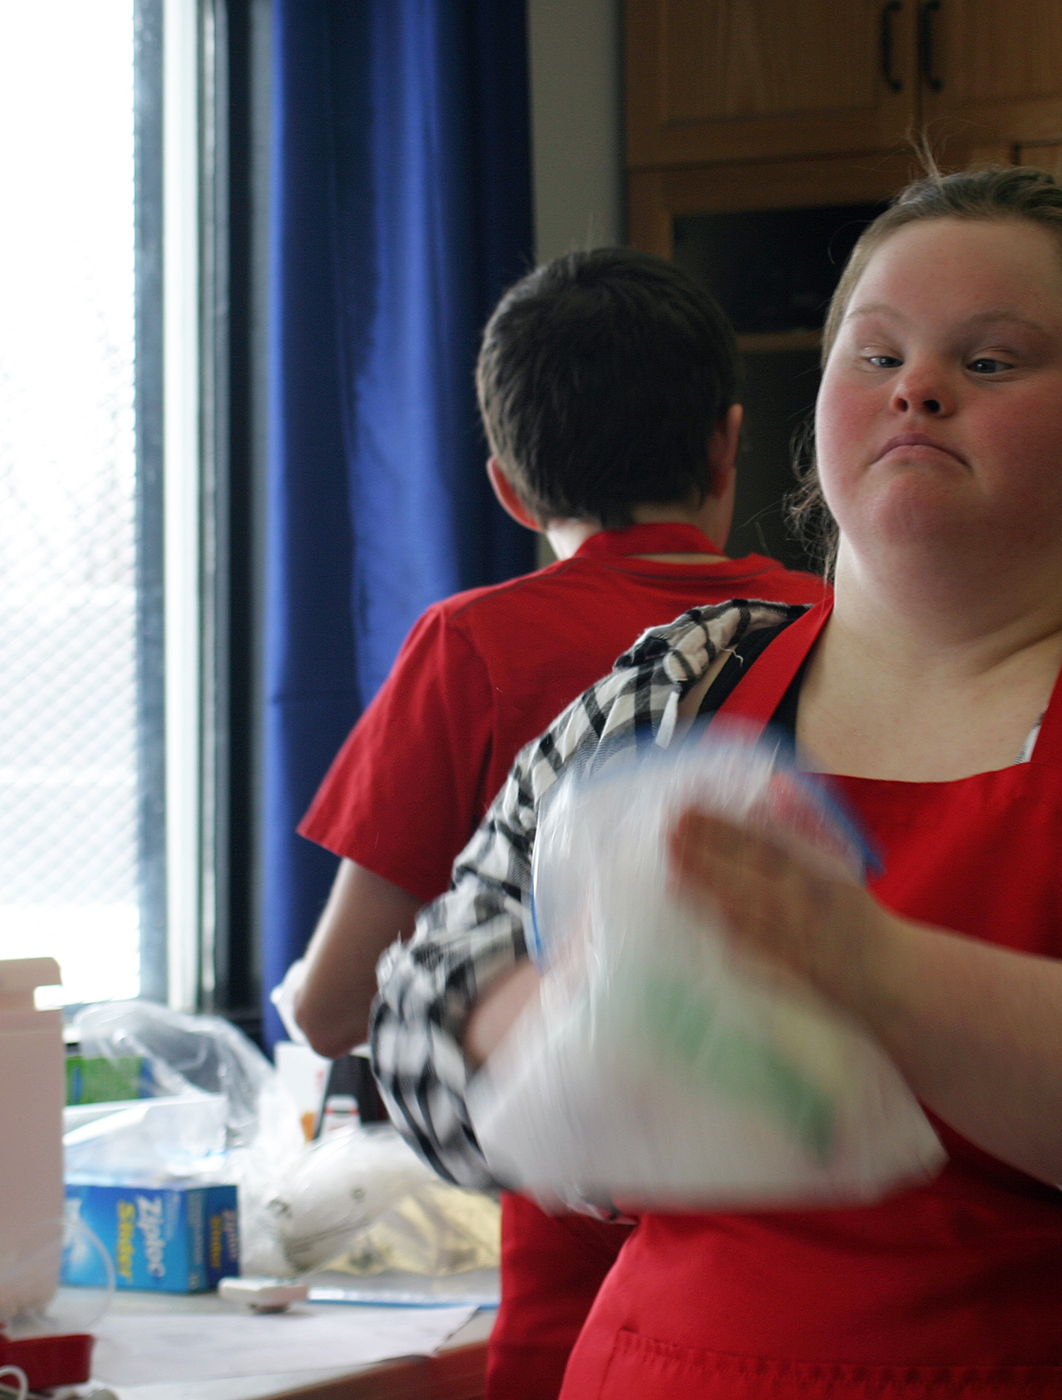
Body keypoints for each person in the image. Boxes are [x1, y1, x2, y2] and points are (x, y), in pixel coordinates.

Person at [373, 167, 1062, 1399]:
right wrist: (576, 1015)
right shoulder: (671, 691)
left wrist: (868, 967)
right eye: (876, 356)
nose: (917, 388)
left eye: (993, 361)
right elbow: (425, 1017)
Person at [291, 247, 827, 1399]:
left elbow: (339, 1004)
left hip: (583, 1286)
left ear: (508, 488)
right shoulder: (826, 628)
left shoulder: (475, 647)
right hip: (814, 1244)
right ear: (730, 442)